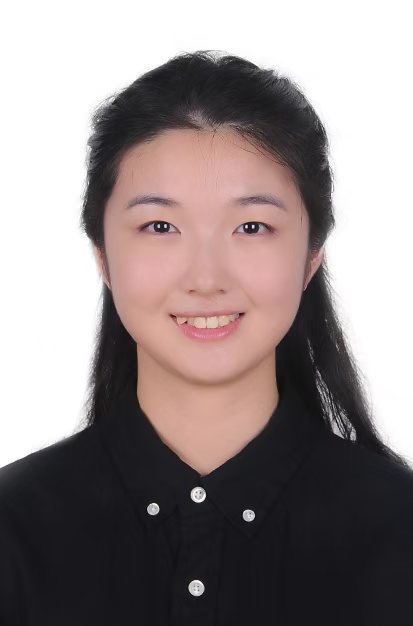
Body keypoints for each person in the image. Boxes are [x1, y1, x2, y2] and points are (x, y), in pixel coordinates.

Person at [0, 49, 412, 626]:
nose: (206, 278)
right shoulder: (14, 527)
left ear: (311, 256)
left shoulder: (398, 531)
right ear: (103, 255)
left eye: (252, 226)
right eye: (160, 226)